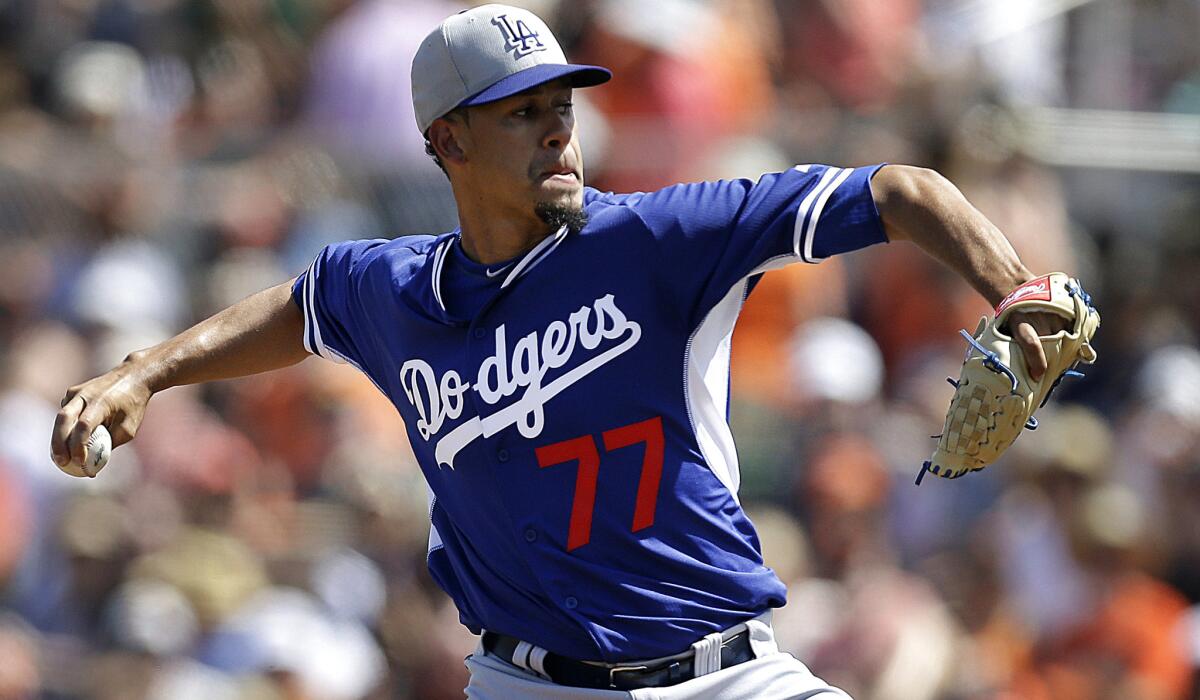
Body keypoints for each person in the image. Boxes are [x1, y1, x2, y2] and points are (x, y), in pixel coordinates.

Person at [51, 5, 1068, 698]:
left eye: (562, 107)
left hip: (721, 675)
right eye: (524, 112)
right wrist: (145, 372)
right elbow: (303, 305)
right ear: (447, 142)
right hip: (525, 680)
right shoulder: (395, 290)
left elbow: (900, 192)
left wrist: (1016, 286)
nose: (559, 133)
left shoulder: (661, 240)